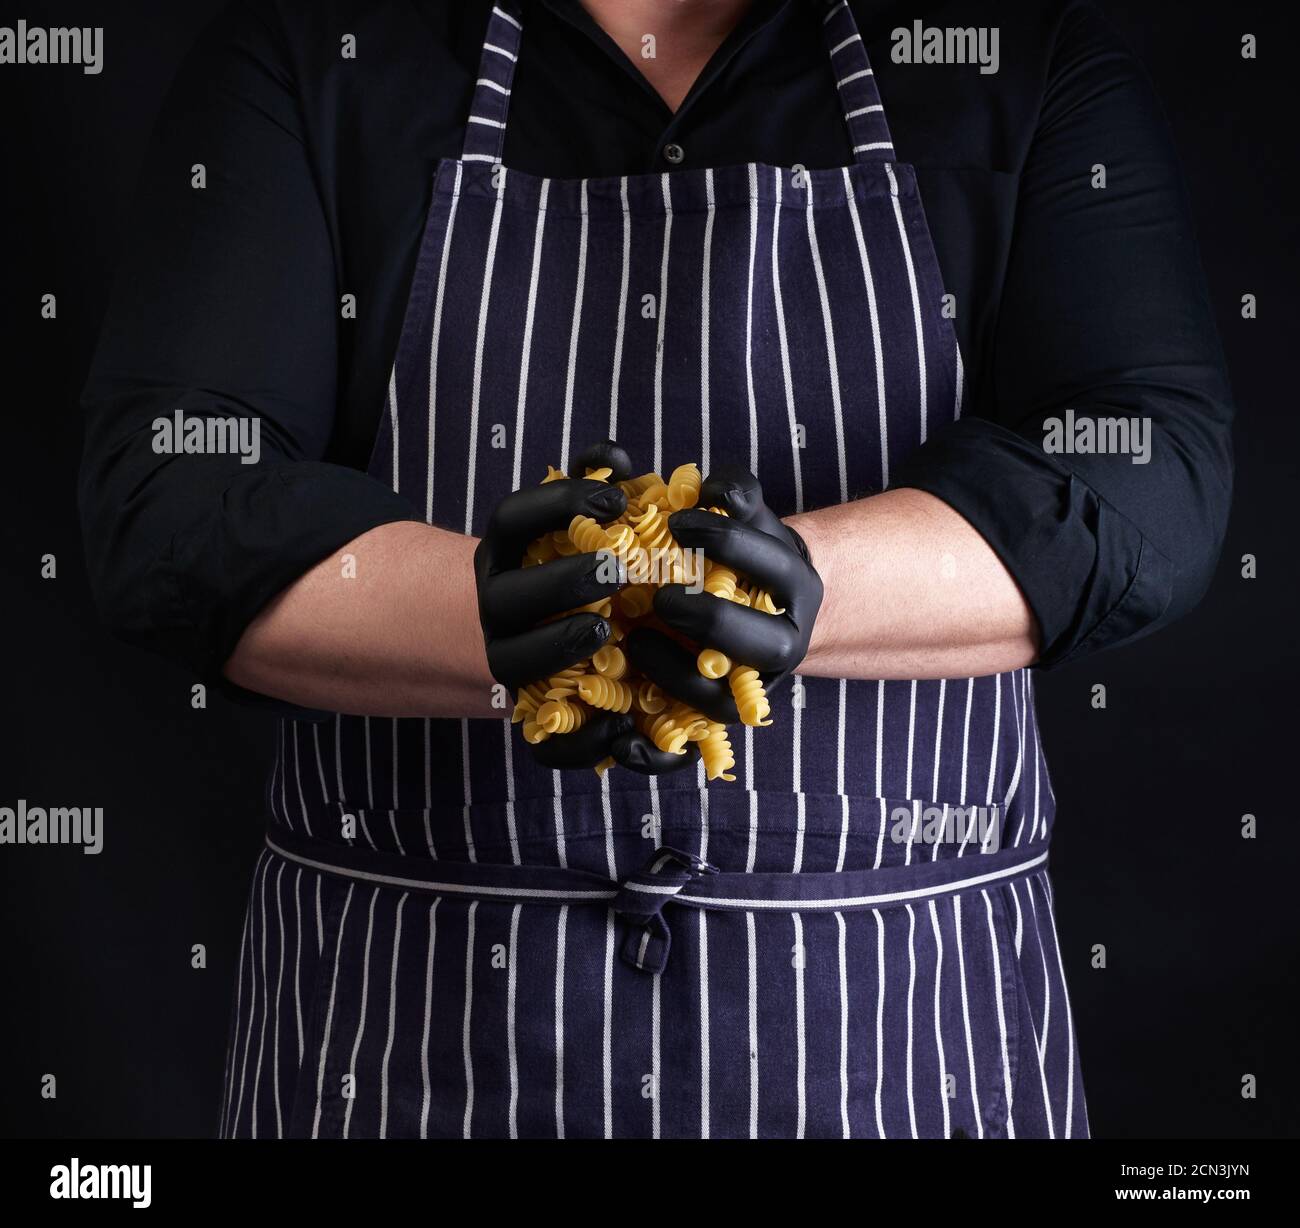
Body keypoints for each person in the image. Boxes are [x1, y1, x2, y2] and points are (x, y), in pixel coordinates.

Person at [79, 0, 1233, 1138]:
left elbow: (1151, 474)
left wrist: (781, 584)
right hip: (408, 1050)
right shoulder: (311, 50)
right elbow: (171, 499)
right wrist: (489, 615)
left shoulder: (1016, 59)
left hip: (901, 1050)